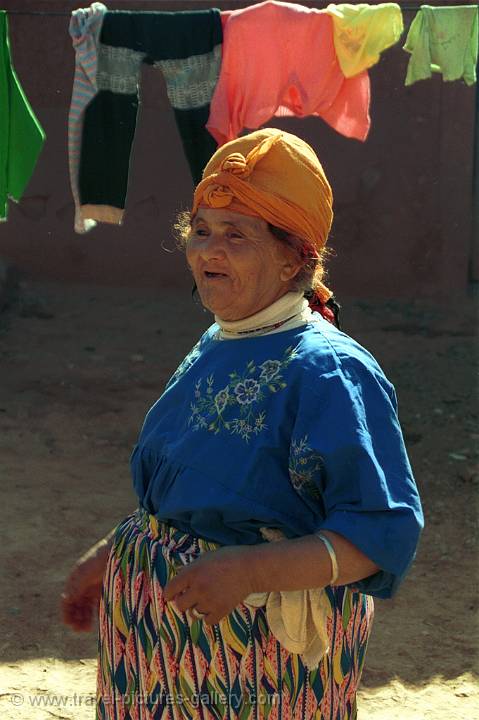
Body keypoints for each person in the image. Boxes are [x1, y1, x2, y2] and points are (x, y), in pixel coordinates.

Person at [61, 128, 423, 720]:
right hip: (156, 642)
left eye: (236, 236)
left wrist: (247, 569)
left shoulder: (329, 372)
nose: (207, 252)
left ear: (294, 257)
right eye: (200, 231)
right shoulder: (220, 341)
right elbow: (189, 483)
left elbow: (379, 534)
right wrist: (114, 557)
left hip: (257, 655)